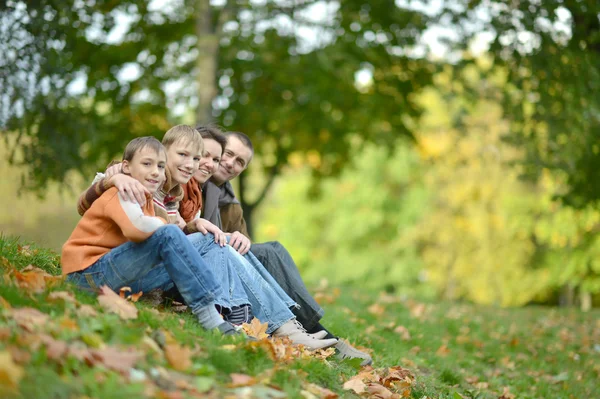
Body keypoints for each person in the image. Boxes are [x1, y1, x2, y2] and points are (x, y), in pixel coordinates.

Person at [76, 125, 337, 350]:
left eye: (204, 158)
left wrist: (190, 224)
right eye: (190, 156)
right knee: (219, 242)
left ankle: (284, 325)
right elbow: (102, 206)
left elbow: (169, 232)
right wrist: (112, 179)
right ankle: (269, 323)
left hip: (146, 268)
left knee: (227, 244)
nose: (197, 164)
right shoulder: (138, 177)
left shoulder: (179, 194)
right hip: (113, 269)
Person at [203, 131, 373, 365]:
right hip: (207, 263)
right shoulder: (196, 179)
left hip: (229, 263)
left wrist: (242, 239)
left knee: (273, 251)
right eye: (228, 154)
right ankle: (324, 338)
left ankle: (314, 335)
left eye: (240, 161)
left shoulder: (230, 203)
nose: (231, 163)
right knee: (271, 251)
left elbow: (244, 253)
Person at [61, 136, 238, 335]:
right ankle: (210, 318)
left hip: (113, 276)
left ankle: (223, 312)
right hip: (86, 274)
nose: (156, 172)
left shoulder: (144, 199)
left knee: (204, 242)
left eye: (161, 167)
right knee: (168, 234)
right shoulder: (121, 191)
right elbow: (137, 229)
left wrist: (189, 227)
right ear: (126, 167)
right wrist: (168, 224)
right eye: (147, 164)